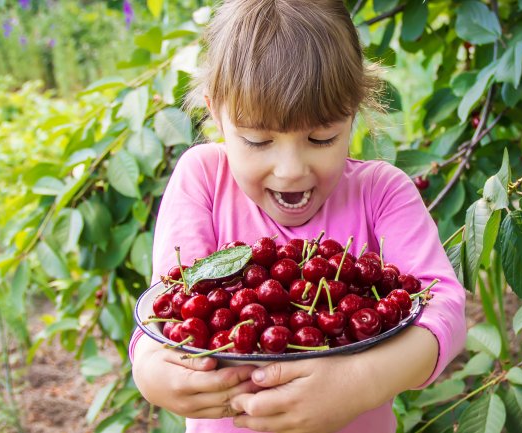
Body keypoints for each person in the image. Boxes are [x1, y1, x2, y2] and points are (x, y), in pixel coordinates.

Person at [129, 1, 466, 432]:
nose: (290, 169)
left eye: (321, 137)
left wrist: (362, 381)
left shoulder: (381, 193)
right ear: (216, 113)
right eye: (256, 139)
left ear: (354, 111)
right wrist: (151, 370)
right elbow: (173, 304)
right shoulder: (204, 180)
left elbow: (445, 308)